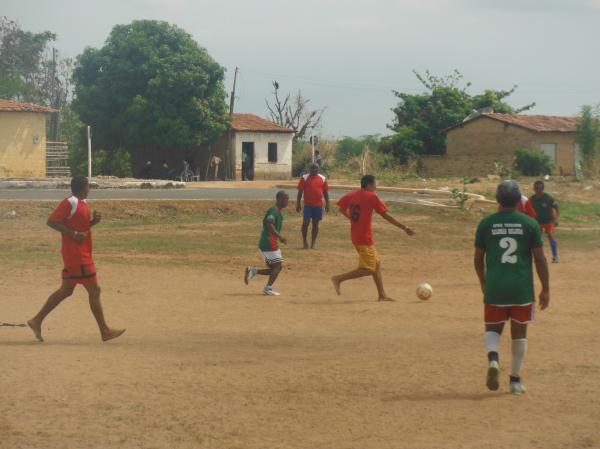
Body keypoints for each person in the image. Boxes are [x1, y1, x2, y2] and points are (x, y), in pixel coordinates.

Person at [27, 176, 126, 342]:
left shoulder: (82, 203)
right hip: (77, 256)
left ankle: (36, 321)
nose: (90, 190)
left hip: (80, 254)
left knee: (66, 290)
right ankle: (105, 331)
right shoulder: (70, 202)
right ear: (83, 188)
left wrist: (93, 222)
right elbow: (51, 221)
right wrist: (73, 234)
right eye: (88, 187)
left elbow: (79, 227)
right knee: (94, 290)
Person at [474, 180, 550, 395]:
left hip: (495, 287)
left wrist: (483, 280)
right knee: (519, 334)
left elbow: (478, 258)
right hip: (521, 289)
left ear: (498, 200)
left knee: (492, 329)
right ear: (519, 201)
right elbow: (540, 259)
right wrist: (546, 288)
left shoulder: (486, 224)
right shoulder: (530, 224)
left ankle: (493, 359)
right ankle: (515, 381)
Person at [331, 175, 415, 301]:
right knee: (368, 269)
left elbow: (341, 209)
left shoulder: (352, 195)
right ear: (369, 184)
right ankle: (338, 279)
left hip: (357, 235)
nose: (377, 186)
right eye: (376, 184)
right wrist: (404, 227)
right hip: (363, 237)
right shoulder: (372, 196)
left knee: (376, 264)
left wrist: (352, 219)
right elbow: (386, 215)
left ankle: (382, 295)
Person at [244, 191, 289, 296]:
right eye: (286, 199)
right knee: (277, 266)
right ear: (279, 199)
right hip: (269, 243)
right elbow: (269, 224)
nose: (287, 201)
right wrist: (280, 236)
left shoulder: (278, 211)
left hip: (270, 243)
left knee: (275, 268)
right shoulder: (273, 211)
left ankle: (253, 271)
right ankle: (268, 288)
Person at [296, 163, 330, 249]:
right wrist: (298, 203)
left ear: (318, 170)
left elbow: (325, 193)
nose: (314, 170)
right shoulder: (304, 178)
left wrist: (327, 204)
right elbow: (300, 192)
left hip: (318, 206)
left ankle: (313, 242)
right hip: (308, 205)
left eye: (315, 169)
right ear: (309, 169)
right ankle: (304, 241)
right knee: (305, 223)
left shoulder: (323, 178)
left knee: (315, 224)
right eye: (312, 169)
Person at [530, 180, 560, 263]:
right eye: (536, 188)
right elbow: (528, 210)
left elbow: (556, 206)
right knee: (537, 238)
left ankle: (555, 256)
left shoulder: (548, 197)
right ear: (534, 189)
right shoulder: (532, 199)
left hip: (548, 220)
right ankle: (539, 256)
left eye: (539, 188)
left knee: (550, 235)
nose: (538, 190)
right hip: (538, 221)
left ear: (542, 189)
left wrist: (557, 218)